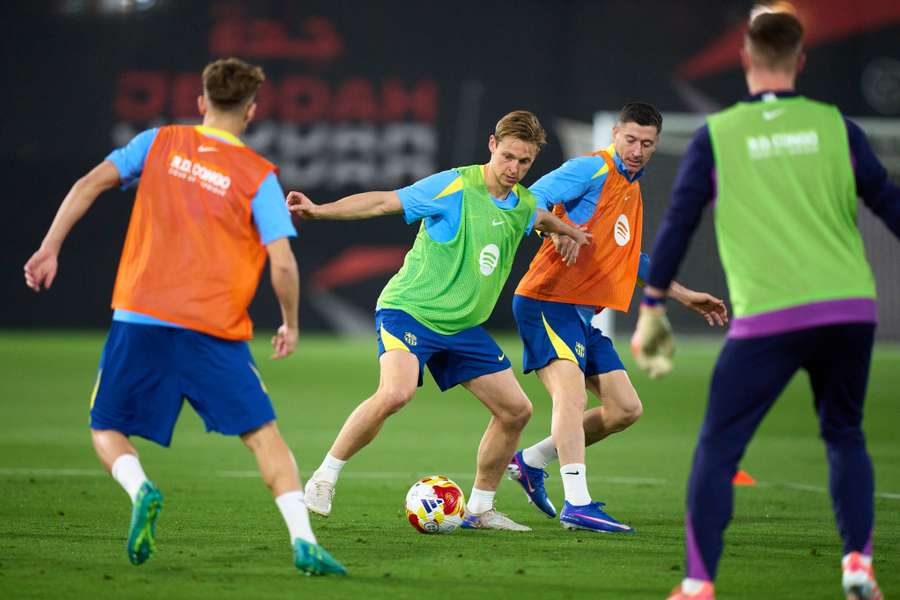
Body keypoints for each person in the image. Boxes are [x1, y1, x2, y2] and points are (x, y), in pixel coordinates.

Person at [23, 58, 345, 576]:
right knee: (264, 437)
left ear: (202, 102)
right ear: (252, 110)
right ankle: (303, 541)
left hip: (140, 317)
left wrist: (48, 248)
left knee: (105, 427)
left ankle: (141, 488)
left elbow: (88, 183)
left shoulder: (158, 142)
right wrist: (291, 322)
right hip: (212, 329)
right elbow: (282, 261)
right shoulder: (257, 176)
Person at [631, 10, 900, 600]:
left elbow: (678, 225)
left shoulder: (718, 136)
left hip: (770, 318)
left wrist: (653, 306)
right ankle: (858, 563)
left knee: (720, 447)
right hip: (850, 310)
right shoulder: (838, 128)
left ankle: (699, 585)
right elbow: (889, 204)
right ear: (800, 62)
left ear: (746, 60)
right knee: (845, 436)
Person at [287, 110, 592, 531]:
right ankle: (324, 477)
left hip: (462, 328)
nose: (513, 169)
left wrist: (566, 230)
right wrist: (320, 211)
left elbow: (537, 218)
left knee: (516, 411)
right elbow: (382, 200)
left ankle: (480, 509)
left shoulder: (522, 203)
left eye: (524, 162)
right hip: (410, 309)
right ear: (491, 145)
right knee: (395, 393)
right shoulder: (453, 185)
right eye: (507, 157)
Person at [504, 102, 728, 534]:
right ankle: (578, 503)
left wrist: (681, 294)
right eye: (630, 139)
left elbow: (630, 259)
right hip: (547, 301)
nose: (638, 150)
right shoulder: (591, 169)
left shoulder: (631, 188)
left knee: (625, 409)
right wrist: (558, 228)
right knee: (571, 397)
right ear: (615, 136)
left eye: (647, 143)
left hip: (581, 314)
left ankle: (531, 461)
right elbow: (528, 202)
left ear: (655, 145)